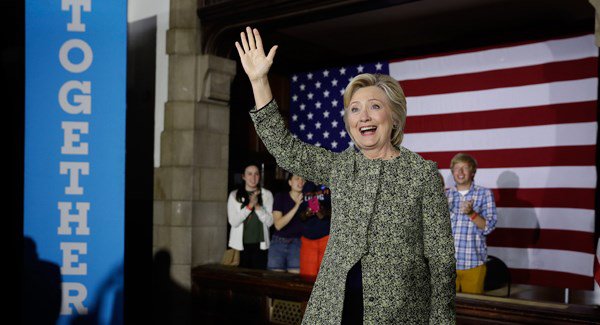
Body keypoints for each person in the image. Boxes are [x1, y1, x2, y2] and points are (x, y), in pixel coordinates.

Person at [235, 27, 455, 324]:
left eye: (374, 106)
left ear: (394, 117)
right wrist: (260, 81)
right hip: (335, 309)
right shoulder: (339, 166)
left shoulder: (421, 173)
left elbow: (441, 260)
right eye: (354, 109)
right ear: (349, 122)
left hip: (400, 314)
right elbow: (286, 149)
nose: (363, 116)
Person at [446, 153, 498, 294]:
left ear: (473, 171)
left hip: (473, 263)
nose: (460, 172)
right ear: (452, 172)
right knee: (446, 310)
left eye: (465, 168)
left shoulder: (484, 194)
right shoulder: (445, 195)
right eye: (457, 168)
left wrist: (471, 213)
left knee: (473, 310)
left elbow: (489, 227)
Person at [227, 163, 274, 269]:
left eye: (256, 174)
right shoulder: (234, 195)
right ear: (243, 176)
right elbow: (233, 222)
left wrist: (257, 206)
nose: (253, 177)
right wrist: (249, 206)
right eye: (249, 174)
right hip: (241, 246)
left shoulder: (267, 195)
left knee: (259, 278)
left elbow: (270, 222)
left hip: (260, 245)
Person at [268, 173, 306, 273]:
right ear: (290, 182)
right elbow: (278, 225)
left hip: (298, 244)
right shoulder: (280, 197)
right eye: (297, 178)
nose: (300, 182)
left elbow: (317, 216)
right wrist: (297, 206)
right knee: (275, 280)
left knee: (295, 282)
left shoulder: (310, 198)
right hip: (278, 243)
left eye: (303, 179)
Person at [299, 181, 331, 279]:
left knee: (326, 278)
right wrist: (306, 213)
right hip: (308, 238)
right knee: (307, 278)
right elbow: (300, 214)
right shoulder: (307, 185)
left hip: (326, 237)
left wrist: (325, 213)